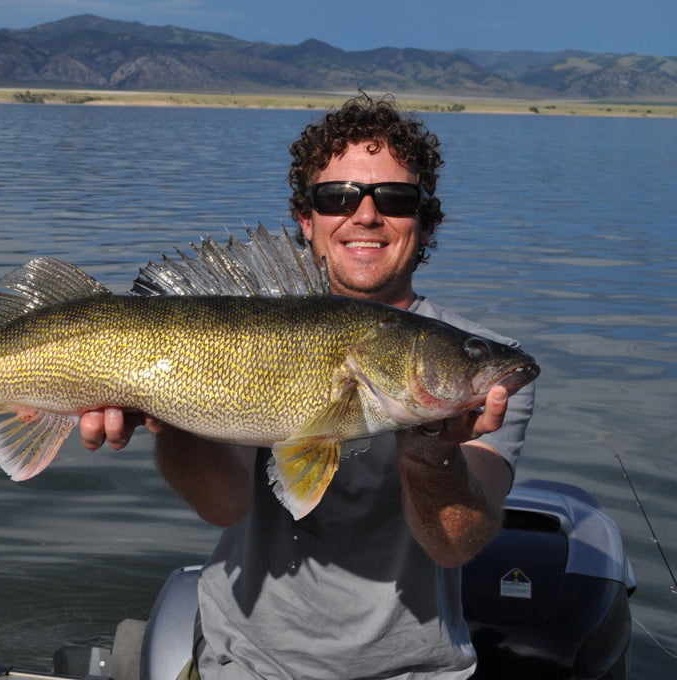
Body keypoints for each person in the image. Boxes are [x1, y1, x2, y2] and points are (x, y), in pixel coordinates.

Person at [78, 94, 535, 679]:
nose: (365, 216)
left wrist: (432, 443)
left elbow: (454, 544)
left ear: (423, 223)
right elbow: (224, 506)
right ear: (306, 218)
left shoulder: (484, 363)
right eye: (337, 197)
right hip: (244, 666)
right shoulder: (253, 319)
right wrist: (171, 414)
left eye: (394, 199)